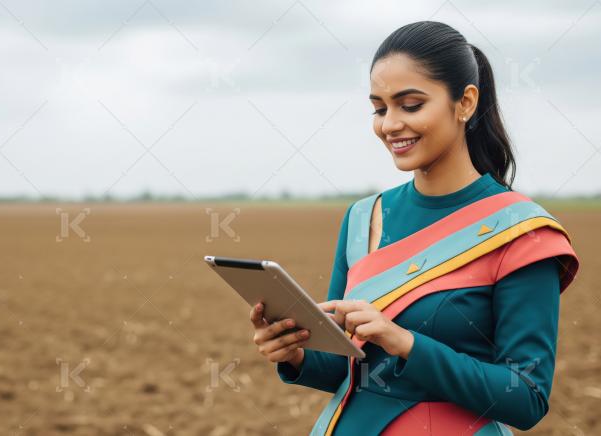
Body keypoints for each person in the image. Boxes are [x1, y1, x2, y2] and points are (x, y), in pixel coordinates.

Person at [248, 21, 580, 435]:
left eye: (410, 105)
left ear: (465, 103)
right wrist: (294, 353)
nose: (389, 125)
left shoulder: (523, 233)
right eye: (379, 107)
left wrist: (404, 342)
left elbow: (525, 396)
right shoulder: (362, 218)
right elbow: (345, 369)